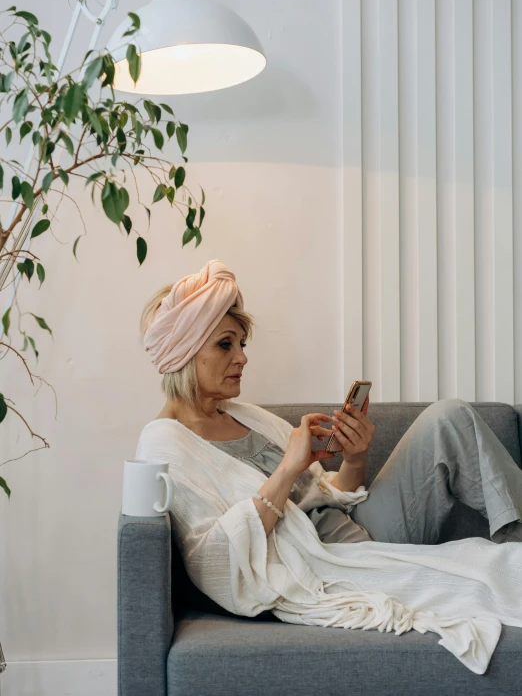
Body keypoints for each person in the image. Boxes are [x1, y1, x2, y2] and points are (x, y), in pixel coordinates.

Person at [135, 259, 522, 674]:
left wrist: (354, 458)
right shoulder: (165, 441)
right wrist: (287, 468)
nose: (242, 358)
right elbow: (214, 562)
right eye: (226, 345)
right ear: (186, 351)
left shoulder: (248, 416)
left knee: (451, 417)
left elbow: (330, 492)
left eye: (243, 344)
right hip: (330, 561)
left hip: (360, 527)